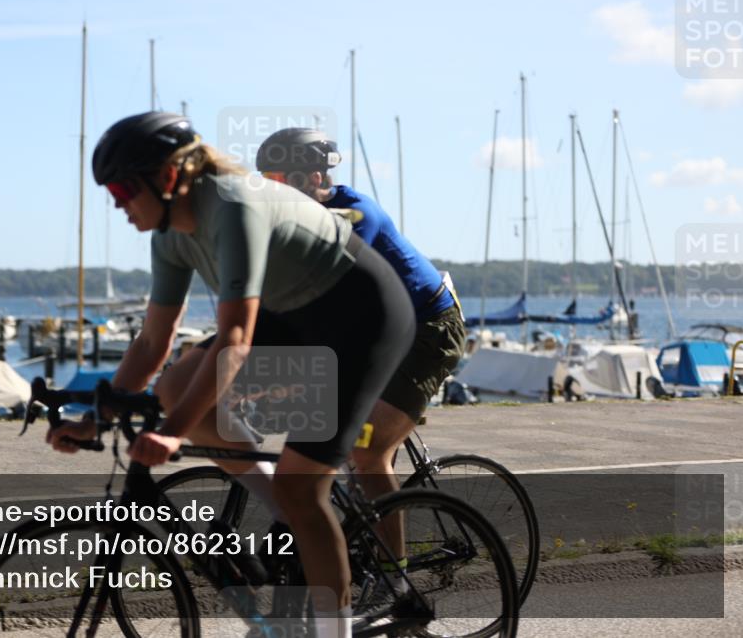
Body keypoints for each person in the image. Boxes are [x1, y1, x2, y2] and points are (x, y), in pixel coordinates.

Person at [46, 112, 415, 636]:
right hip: (293, 315)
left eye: (124, 188)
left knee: (303, 488)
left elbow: (235, 341)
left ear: (169, 177)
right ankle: (285, 514)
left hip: (360, 318)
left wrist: (171, 435)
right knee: (175, 385)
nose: (116, 203)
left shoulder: (233, 205)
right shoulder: (169, 234)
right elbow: (153, 342)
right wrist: (95, 419)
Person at [256, 127, 466, 595]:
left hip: (429, 329)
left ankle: (396, 579)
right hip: (375, 332)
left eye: (277, 178)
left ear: (312, 176)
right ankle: (344, 540)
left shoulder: (354, 214)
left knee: (369, 452)